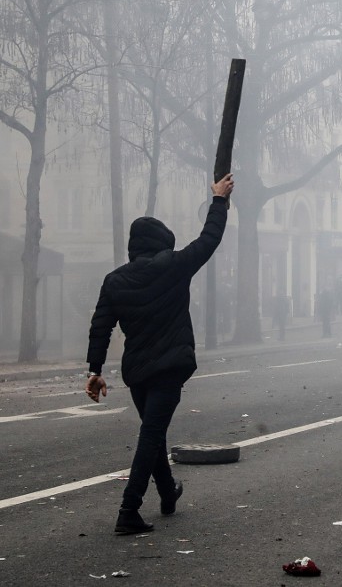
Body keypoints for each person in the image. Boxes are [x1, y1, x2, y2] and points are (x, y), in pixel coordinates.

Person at [85, 173, 235, 534]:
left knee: (154, 431)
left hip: (137, 369)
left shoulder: (115, 280)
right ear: (162, 242)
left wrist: (94, 369)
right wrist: (218, 201)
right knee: (152, 434)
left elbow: (100, 326)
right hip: (170, 365)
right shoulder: (174, 266)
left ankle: (168, 492)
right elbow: (209, 239)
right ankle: (129, 510)